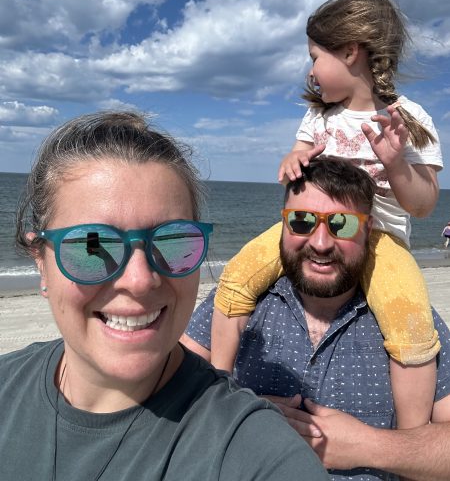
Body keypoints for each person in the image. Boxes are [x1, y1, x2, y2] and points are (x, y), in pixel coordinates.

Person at [0, 111, 327, 481]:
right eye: (93, 245)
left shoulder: (253, 449)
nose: (140, 280)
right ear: (41, 262)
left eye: (173, 241)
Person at [210, 0, 443, 432]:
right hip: (312, 225)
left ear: (351, 52)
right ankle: (220, 385)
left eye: (316, 56)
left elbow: (424, 205)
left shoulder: (408, 118)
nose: (312, 71)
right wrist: (291, 160)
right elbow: (294, 158)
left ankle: (411, 435)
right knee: (237, 277)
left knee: (410, 319)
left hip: (377, 239)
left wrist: (395, 163)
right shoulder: (319, 117)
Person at [182, 158, 450, 481]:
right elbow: (165, 401)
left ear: (369, 229)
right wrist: (240, 413)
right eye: (301, 221)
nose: (320, 243)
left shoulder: (412, 321)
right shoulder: (231, 304)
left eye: (342, 224)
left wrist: (371, 446)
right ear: (282, 225)